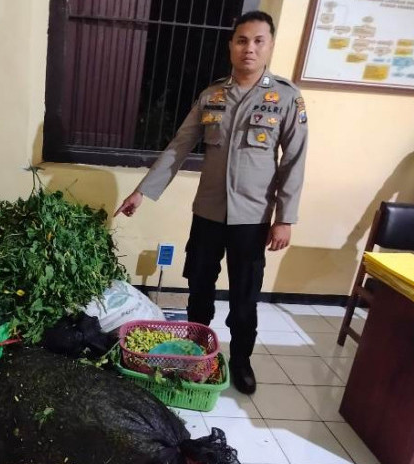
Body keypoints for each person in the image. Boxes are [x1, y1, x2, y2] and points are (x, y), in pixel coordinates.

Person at [114, 11, 308, 394]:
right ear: (231, 45)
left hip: (252, 218)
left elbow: (294, 160)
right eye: (242, 40)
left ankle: (242, 360)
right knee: (199, 288)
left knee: (244, 297)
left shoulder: (287, 98)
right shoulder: (212, 95)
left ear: (269, 45)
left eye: (258, 41)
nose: (249, 48)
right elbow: (180, 145)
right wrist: (142, 191)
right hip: (208, 213)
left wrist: (285, 218)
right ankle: (195, 352)